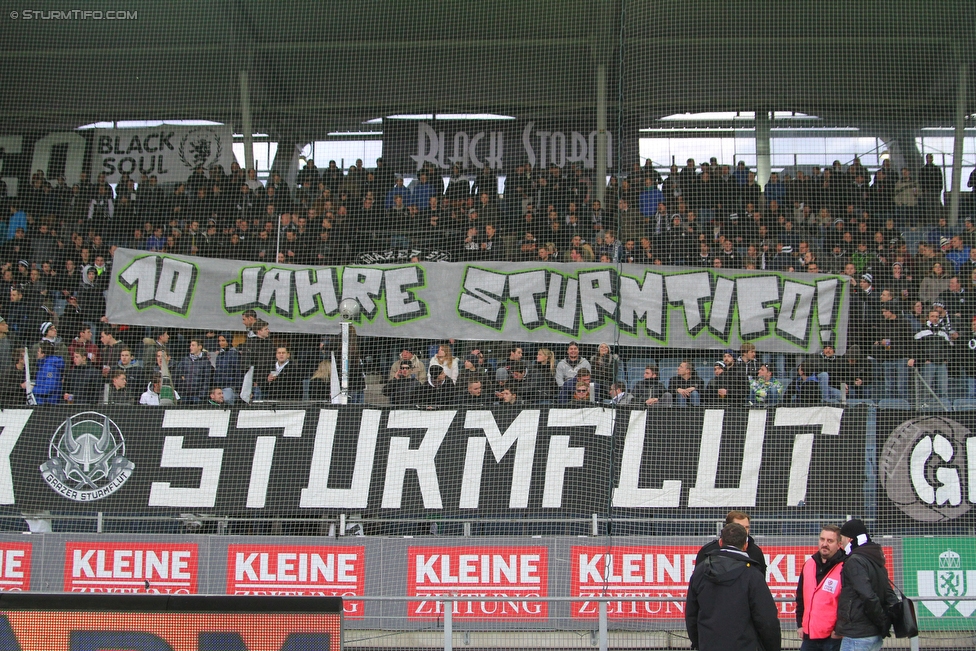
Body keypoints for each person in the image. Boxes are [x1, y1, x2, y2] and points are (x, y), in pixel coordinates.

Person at [686, 522, 781, 651]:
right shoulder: (752, 575)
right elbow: (767, 620)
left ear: (720, 542)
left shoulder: (700, 571)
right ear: (745, 545)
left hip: (708, 645)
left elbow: (691, 614)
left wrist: (699, 643)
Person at [834, 519, 897, 651]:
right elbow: (888, 594)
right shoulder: (874, 558)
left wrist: (882, 622)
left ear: (850, 539)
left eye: (843, 538)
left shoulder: (855, 561)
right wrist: (883, 624)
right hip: (873, 634)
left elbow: (867, 595)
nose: (841, 542)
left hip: (858, 635)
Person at [795, 524, 846, 651]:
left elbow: (848, 603)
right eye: (822, 539)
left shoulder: (845, 567)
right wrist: (800, 624)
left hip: (832, 638)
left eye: (830, 541)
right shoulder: (809, 564)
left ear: (839, 544)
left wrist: (838, 630)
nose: (825, 544)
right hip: (809, 637)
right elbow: (800, 596)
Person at [695, 510, 767, 572]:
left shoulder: (755, 551)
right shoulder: (708, 550)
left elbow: (760, 578)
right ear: (728, 527)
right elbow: (698, 578)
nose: (744, 531)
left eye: (747, 527)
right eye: (739, 527)